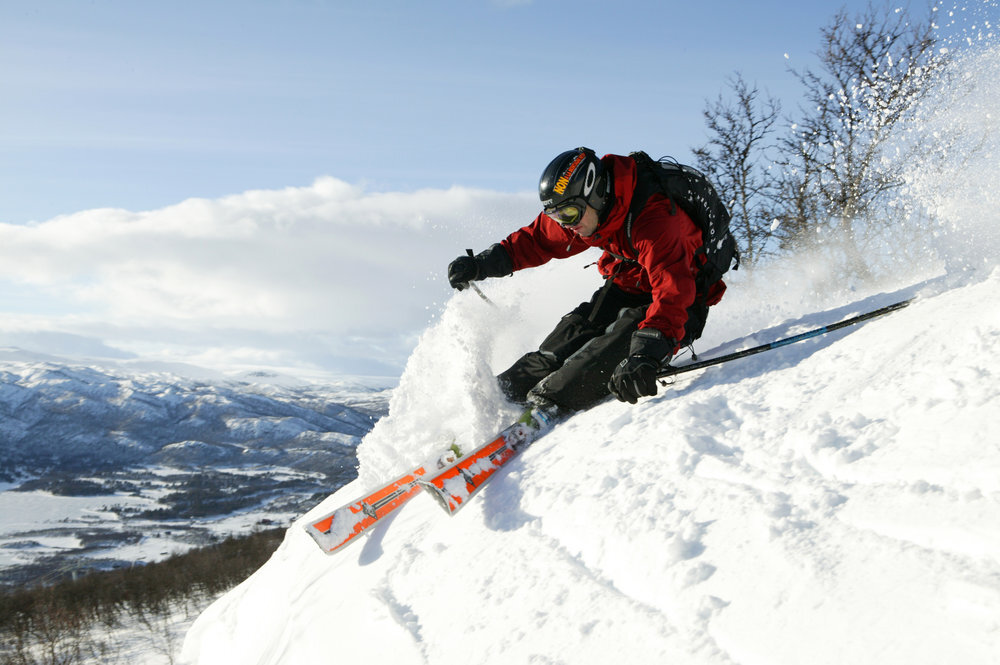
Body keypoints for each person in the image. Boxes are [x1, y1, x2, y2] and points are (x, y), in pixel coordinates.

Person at [447, 147, 727, 420]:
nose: (566, 225)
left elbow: (672, 289)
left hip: (682, 303)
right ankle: (494, 403)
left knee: (597, 359)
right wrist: (480, 265)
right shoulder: (585, 209)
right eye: (556, 217)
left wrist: (648, 353)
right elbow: (536, 240)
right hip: (628, 283)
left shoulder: (655, 219)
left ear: (594, 194)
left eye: (568, 215)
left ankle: (545, 410)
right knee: (557, 348)